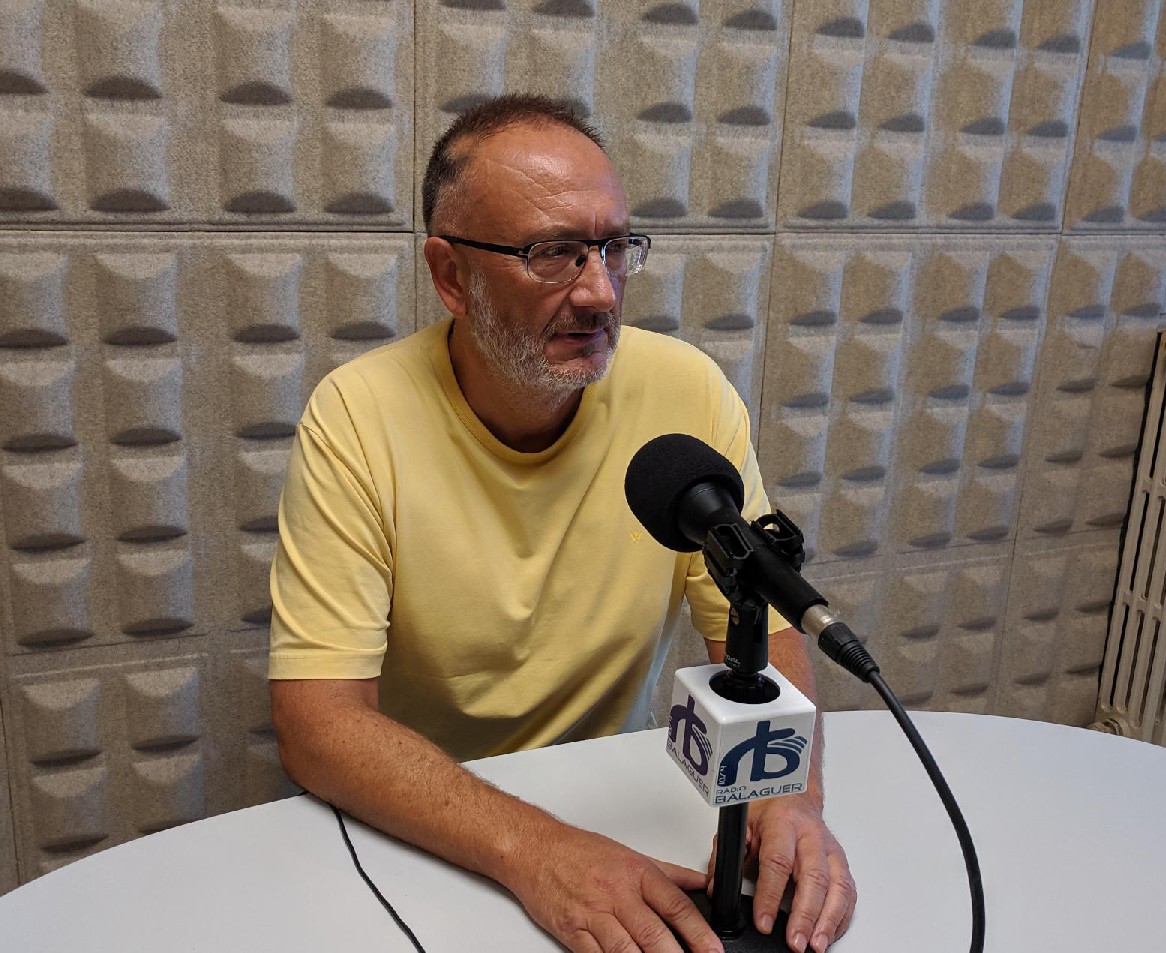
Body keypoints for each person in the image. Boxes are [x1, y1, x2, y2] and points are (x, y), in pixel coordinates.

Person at [268, 94, 855, 953]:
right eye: (552, 253)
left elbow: (758, 619)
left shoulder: (686, 393)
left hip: (623, 809)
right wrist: (536, 850)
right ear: (450, 275)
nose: (600, 291)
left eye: (615, 247)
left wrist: (788, 796)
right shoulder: (357, 417)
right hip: (436, 832)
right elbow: (318, 724)